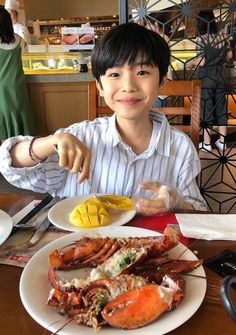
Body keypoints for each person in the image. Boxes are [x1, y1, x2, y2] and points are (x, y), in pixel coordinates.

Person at [0, 22, 207, 215]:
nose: (128, 86)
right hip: (79, 247)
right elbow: (11, 166)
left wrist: (177, 202)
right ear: (99, 86)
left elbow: (198, 213)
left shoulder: (180, 147)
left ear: (162, 81)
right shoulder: (79, 137)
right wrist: (50, 142)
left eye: (142, 72)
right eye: (114, 75)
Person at [190, 9, 233, 152]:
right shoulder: (223, 37)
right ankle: (222, 142)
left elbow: (201, 62)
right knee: (221, 108)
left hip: (206, 77)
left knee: (206, 109)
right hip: (221, 76)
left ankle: (207, 144)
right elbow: (229, 56)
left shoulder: (201, 39)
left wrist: (191, 63)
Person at [0, 7, 36, 139]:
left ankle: (6, 148)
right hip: (17, 85)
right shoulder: (19, 40)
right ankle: (23, 147)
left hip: (1, 87)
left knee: (4, 115)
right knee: (21, 113)